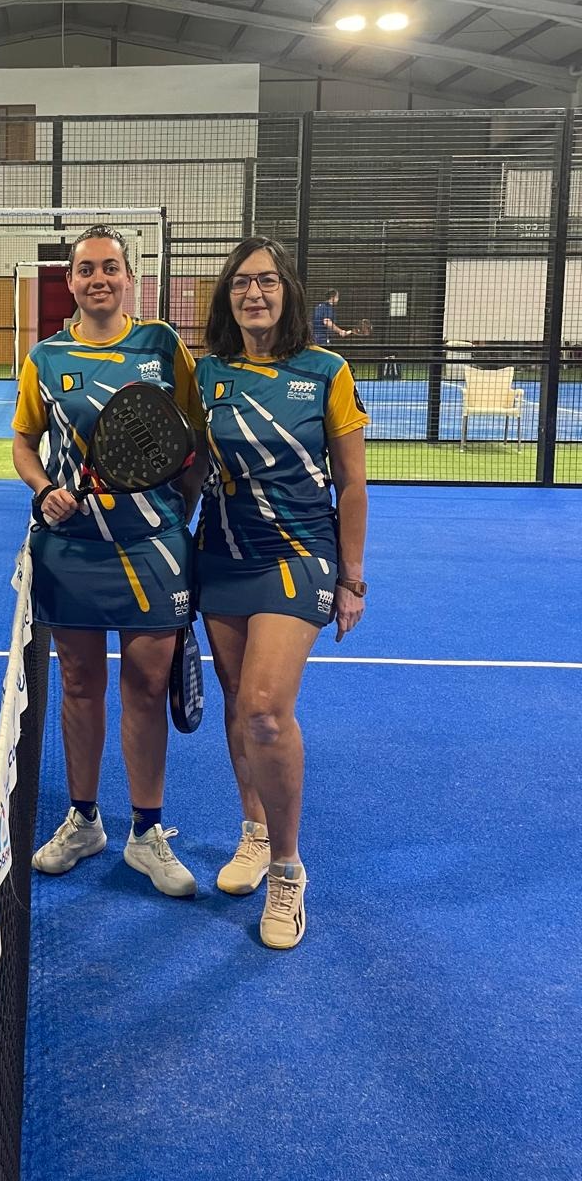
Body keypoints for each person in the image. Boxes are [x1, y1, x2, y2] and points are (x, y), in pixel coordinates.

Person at [11, 226, 206, 898]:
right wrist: (44, 489)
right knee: (80, 684)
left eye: (110, 267)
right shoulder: (45, 357)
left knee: (147, 685)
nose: (99, 278)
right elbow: (23, 442)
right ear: (70, 281)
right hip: (72, 549)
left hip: (153, 548)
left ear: (130, 277)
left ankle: (146, 831)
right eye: (86, 269)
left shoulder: (162, 346)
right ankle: (84, 819)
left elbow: (192, 438)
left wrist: (177, 511)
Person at [196, 238, 368, 950]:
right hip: (221, 557)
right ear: (227, 296)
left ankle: (288, 870)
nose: (254, 293)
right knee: (238, 702)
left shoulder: (326, 371)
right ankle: (255, 830)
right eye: (241, 283)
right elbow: (185, 470)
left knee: (266, 711)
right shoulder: (204, 373)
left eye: (266, 281)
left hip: (300, 556)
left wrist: (352, 578)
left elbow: (351, 484)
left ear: (287, 291)